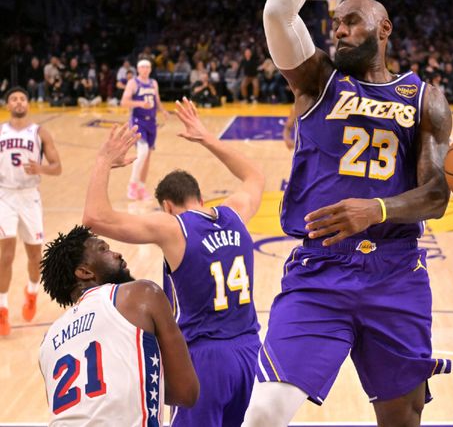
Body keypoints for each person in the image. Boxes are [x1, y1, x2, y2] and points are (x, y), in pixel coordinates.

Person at [242, 0, 453, 426]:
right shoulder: (317, 80)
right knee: (264, 412)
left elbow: (437, 195)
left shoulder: (425, 98)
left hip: (396, 271)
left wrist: (376, 209)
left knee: (402, 418)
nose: (338, 30)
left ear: (384, 29)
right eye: (335, 23)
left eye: (352, 21)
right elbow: (278, 13)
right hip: (321, 270)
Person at [82, 99, 265, 427]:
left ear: (167, 206)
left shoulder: (174, 228)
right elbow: (254, 176)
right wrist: (207, 138)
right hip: (250, 353)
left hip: (205, 360)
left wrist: (103, 161)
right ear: (201, 198)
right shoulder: (235, 213)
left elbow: (94, 218)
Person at [38, 225, 199, 425]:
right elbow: (186, 392)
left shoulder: (48, 341)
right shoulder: (141, 295)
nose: (117, 254)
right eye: (104, 249)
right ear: (84, 272)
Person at [0, 86, 62, 336]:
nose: (18, 102)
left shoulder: (39, 132)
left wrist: (41, 169)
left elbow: (57, 167)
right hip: (4, 195)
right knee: (6, 255)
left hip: (30, 197)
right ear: (7, 105)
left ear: (28, 104)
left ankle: (32, 292)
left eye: (22, 98)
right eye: (13, 99)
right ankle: (2, 309)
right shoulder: (1, 131)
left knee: (35, 256)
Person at [120, 59, 167, 200]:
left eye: (148, 67)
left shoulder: (153, 83)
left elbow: (157, 99)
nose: (145, 69)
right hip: (137, 121)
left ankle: (141, 187)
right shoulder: (133, 83)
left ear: (150, 69)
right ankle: (132, 185)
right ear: (138, 69)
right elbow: (124, 102)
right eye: (143, 67)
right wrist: (140, 103)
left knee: (147, 157)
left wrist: (163, 110)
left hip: (151, 122)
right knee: (143, 151)